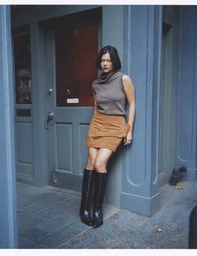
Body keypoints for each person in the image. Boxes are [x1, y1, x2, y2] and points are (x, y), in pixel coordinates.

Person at [80, 45, 136, 229]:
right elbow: (96, 108)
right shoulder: (95, 84)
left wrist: (129, 129)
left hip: (115, 125)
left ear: (114, 62)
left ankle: (97, 209)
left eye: (108, 60)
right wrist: (92, 127)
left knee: (99, 164)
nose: (105, 63)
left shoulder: (124, 79)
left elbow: (132, 104)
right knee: (90, 163)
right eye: (103, 60)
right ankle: (85, 207)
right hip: (97, 124)